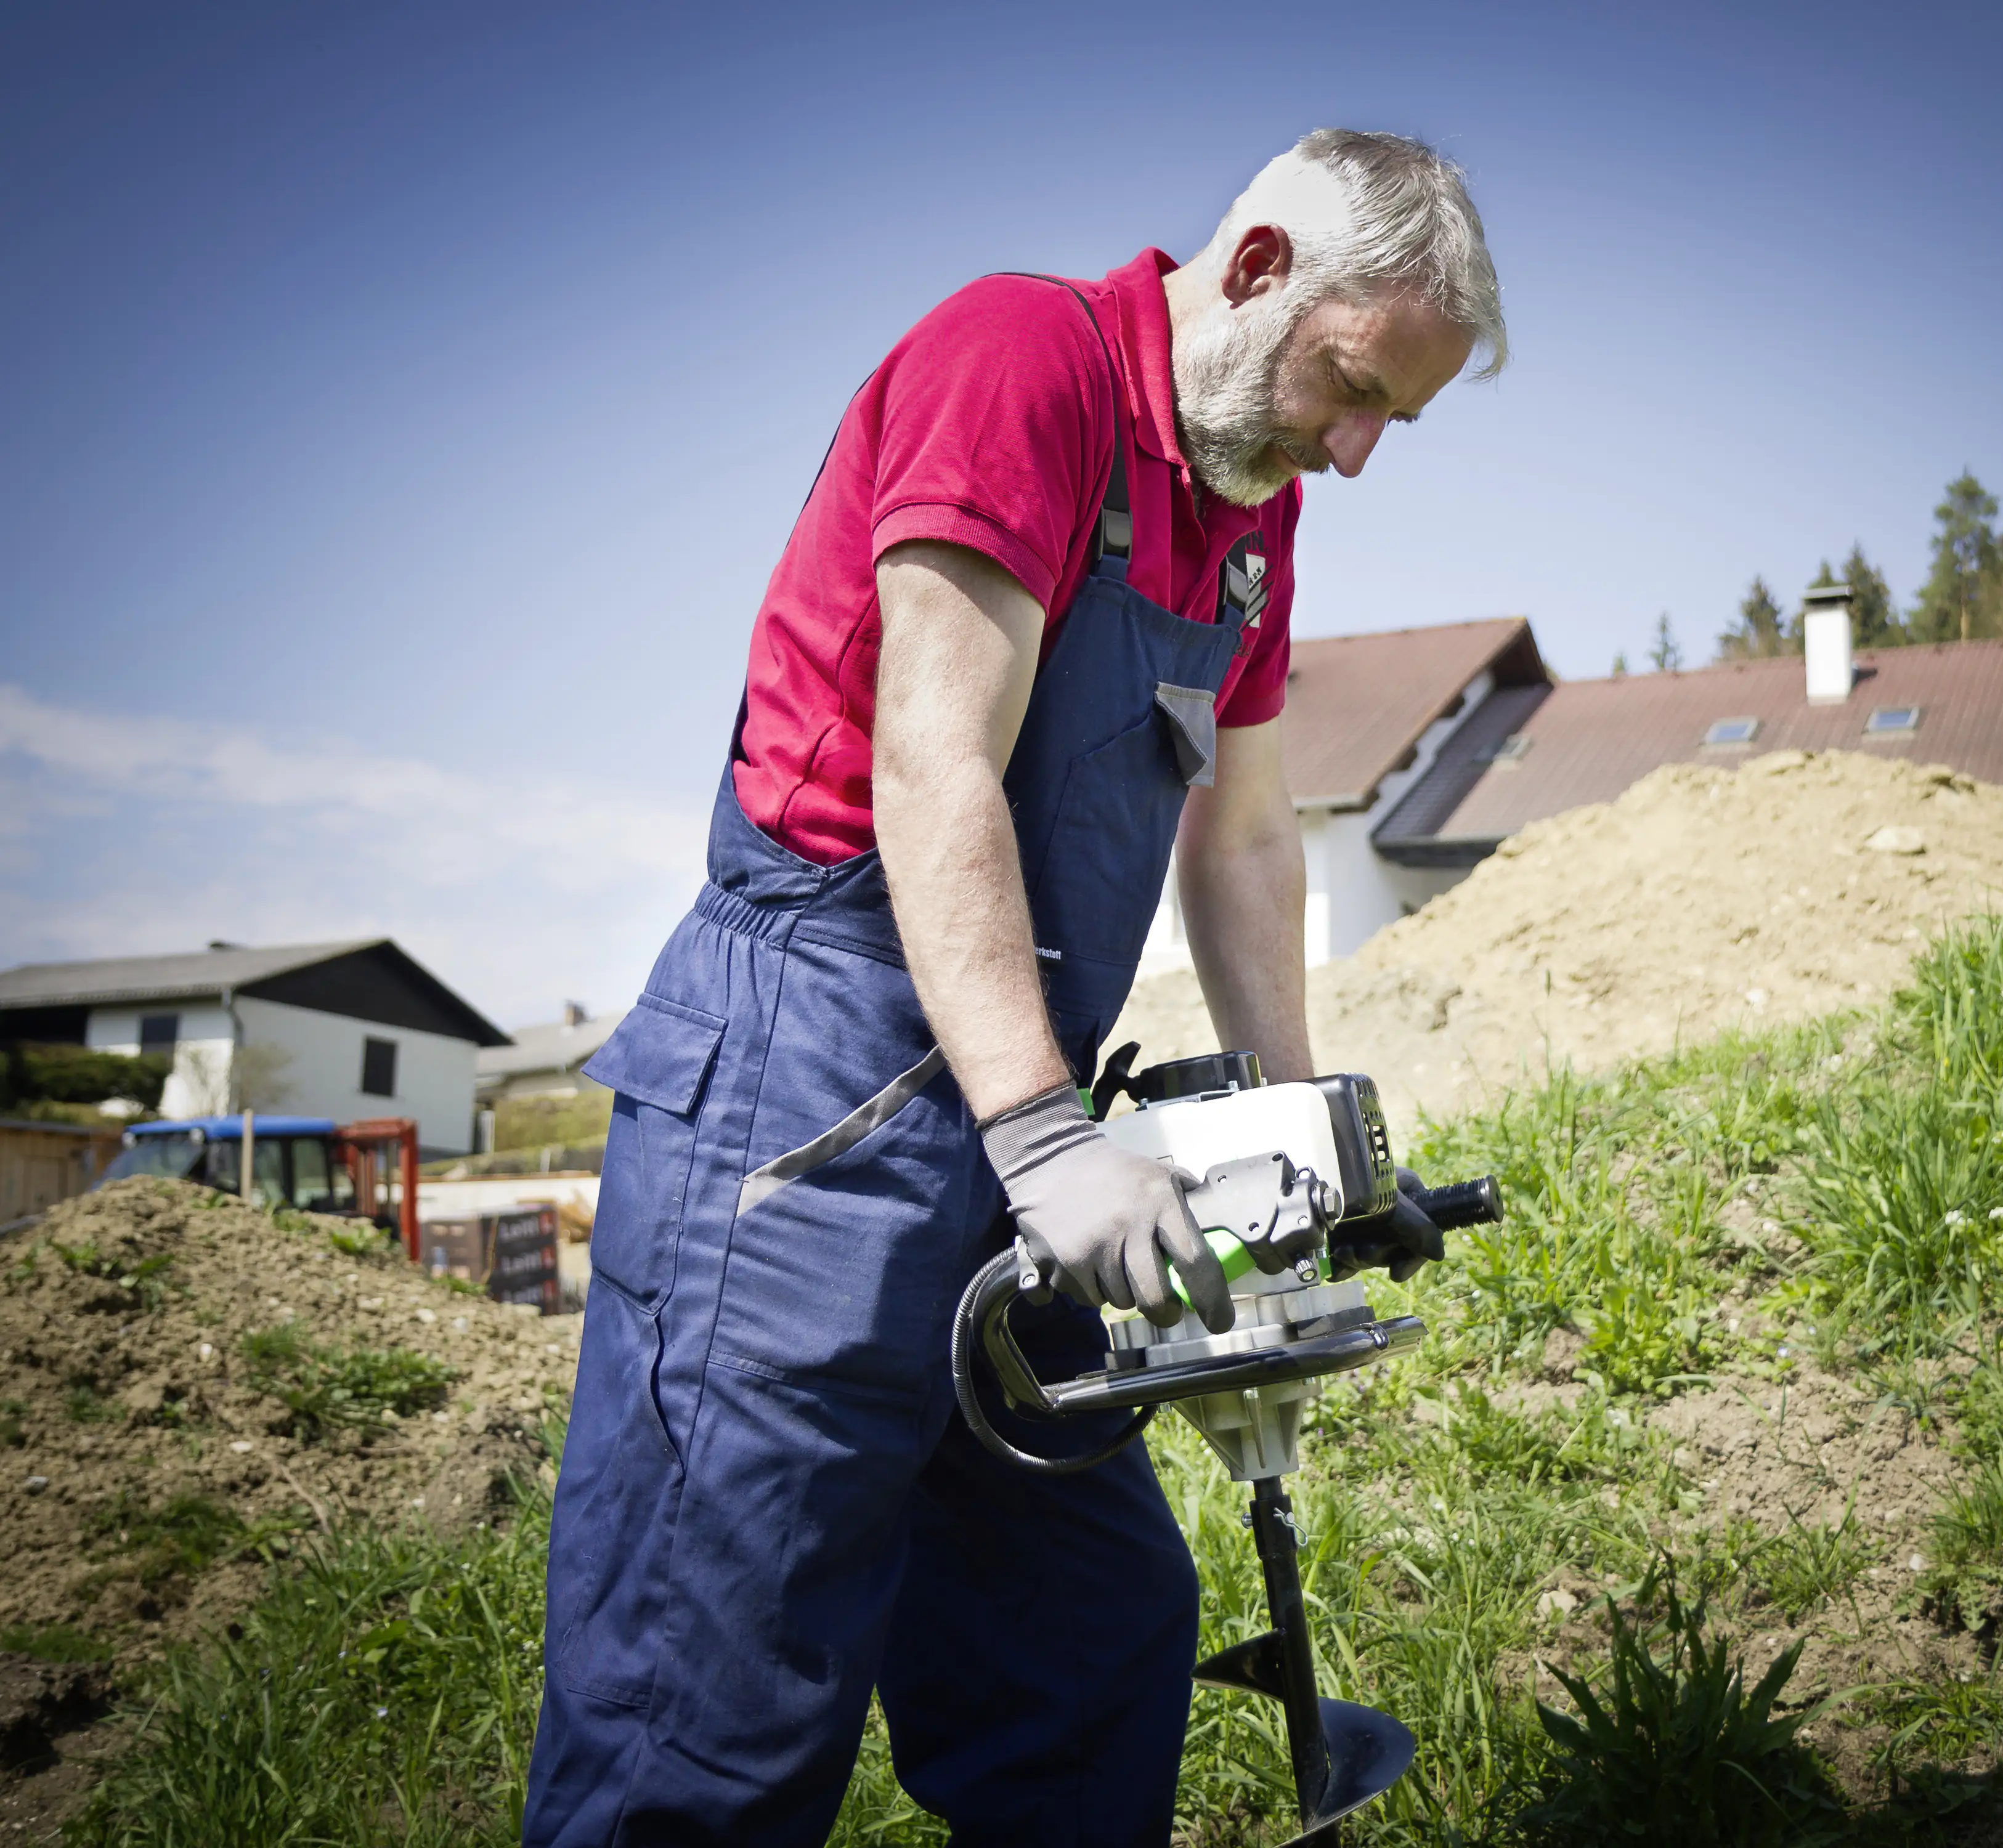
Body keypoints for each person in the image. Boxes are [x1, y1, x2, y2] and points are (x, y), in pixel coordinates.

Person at [523, 128, 1506, 1848]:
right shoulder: (1021, 362)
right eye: (1349, 390)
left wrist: (1310, 1143)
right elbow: (933, 766)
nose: (1350, 454)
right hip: (804, 1100)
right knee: (716, 1698)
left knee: (1083, 1641)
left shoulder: (1248, 521)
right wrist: (1046, 1136)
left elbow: (1249, 843)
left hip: (1004, 1114)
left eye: (1389, 429)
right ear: (1261, 271)